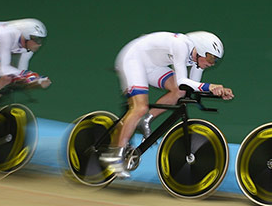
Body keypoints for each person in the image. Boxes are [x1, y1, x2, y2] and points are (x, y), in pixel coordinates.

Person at [100, 31, 235, 178]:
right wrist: (210, 87)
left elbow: (190, 87)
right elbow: (183, 80)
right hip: (134, 58)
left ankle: (145, 120)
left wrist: (218, 92)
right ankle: (114, 155)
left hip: (154, 66)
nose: (212, 63)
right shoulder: (181, 45)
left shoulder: (198, 61)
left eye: (215, 60)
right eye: (210, 58)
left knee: (180, 92)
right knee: (139, 107)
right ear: (200, 50)